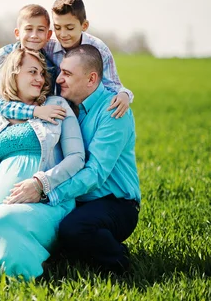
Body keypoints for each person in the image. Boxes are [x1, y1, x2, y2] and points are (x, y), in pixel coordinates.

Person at [0, 0, 133, 224]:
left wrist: (125, 94)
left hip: (36, 126)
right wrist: (36, 112)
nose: (35, 36)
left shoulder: (62, 54)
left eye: (42, 31)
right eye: (58, 28)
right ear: (18, 33)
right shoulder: (5, 57)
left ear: (48, 35)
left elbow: (109, 83)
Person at [0, 47, 85, 280]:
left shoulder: (56, 106)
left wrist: (41, 183)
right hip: (3, 204)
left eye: (42, 74)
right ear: (13, 73)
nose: (40, 78)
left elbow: (77, 158)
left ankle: (25, 274)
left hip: (48, 204)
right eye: (32, 71)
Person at [45, 44, 141, 274]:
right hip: (78, 199)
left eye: (67, 74)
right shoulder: (66, 108)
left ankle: (118, 260)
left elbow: (95, 174)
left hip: (115, 203)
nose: (59, 79)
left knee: (74, 229)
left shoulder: (114, 111)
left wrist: (48, 192)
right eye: (61, 72)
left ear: (91, 79)